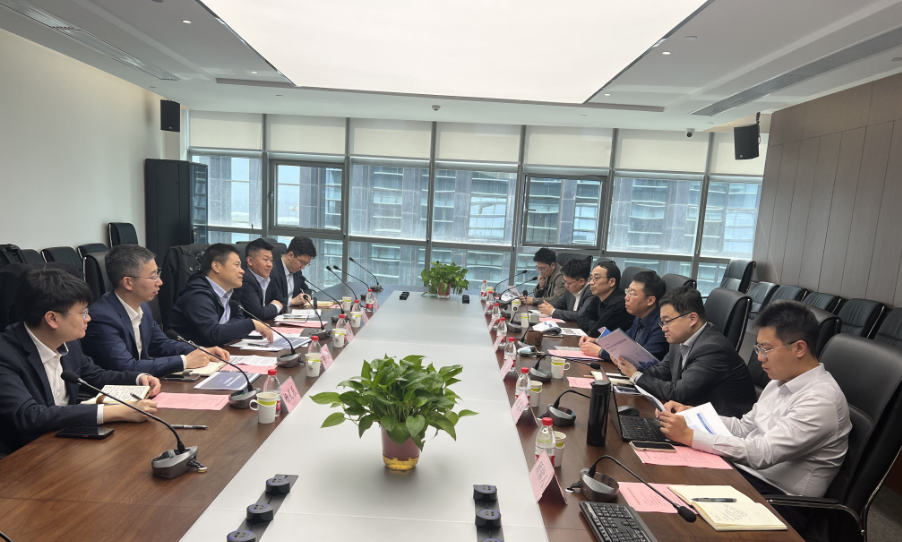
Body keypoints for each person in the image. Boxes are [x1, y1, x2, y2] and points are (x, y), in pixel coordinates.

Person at [658, 301, 851, 534]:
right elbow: (744, 427)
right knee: (667, 481)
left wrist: (691, 436)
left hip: (780, 502)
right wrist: (691, 415)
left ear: (799, 348)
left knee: (678, 518)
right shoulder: (780, 381)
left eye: (766, 350)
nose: (760, 358)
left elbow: (763, 453)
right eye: (758, 349)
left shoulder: (821, 400)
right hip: (746, 476)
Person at [0, 268, 160, 455]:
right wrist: (114, 412)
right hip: (24, 454)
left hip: (66, 439)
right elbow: (29, 415)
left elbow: (95, 376)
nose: (88, 318)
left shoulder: (69, 342)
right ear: (52, 319)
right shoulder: (5, 354)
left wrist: (138, 379)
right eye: (83, 313)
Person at [82, 245, 230, 377]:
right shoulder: (102, 317)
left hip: (146, 384)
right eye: (153, 276)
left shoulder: (143, 307)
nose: (160, 282)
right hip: (114, 392)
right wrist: (184, 361)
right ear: (128, 282)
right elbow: (126, 366)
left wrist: (200, 350)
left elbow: (161, 344)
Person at [613, 286, 756, 417]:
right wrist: (628, 365)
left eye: (667, 321)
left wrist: (635, 375)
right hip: (692, 412)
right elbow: (661, 372)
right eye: (662, 322)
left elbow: (679, 393)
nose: (663, 328)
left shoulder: (713, 348)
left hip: (722, 423)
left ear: (692, 319)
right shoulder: (680, 338)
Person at [168, 244, 273, 346]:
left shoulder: (230, 292)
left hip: (217, 350)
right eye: (236, 265)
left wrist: (226, 330)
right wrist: (251, 324)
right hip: (190, 355)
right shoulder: (197, 296)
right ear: (216, 266)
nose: (242, 271)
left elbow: (238, 318)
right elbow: (214, 334)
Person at [579, 270, 668, 362]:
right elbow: (624, 341)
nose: (626, 297)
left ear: (650, 300)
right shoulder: (639, 316)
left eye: (632, 294)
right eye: (627, 291)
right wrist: (597, 341)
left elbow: (643, 359)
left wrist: (600, 351)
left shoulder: (661, 326)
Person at [576, 260, 633, 338]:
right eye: (591, 278)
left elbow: (596, 332)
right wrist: (595, 324)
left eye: (596, 278)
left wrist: (595, 325)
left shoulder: (619, 304)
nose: (591, 282)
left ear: (612, 282)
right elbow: (580, 318)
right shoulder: (598, 297)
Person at [237, 238, 283, 320]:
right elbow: (258, 314)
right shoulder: (244, 279)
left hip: (267, 323)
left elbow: (282, 302)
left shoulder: (270, 276)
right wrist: (275, 306)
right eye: (265, 259)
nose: (270, 264)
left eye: (271, 260)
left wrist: (270, 309)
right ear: (250, 261)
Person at [273, 236, 315, 308]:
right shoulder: (272, 270)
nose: (303, 267)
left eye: (306, 264)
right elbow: (270, 299)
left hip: (293, 311)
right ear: (290, 255)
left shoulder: (297, 271)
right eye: (302, 262)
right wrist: (291, 301)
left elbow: (306, 289)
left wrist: (307, 295)